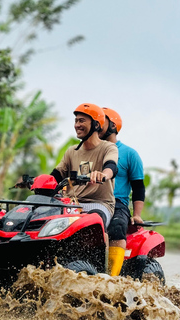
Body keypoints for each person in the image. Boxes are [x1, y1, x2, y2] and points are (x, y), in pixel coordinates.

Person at [50, 103, 119, 230]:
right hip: (70, 204)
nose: (77, 125)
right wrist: (40, 181)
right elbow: (57, 174)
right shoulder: (72, 151)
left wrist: (104, 174)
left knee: (93, 225)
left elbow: (111, 166)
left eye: (82, 121)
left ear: (96, 125)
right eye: (76, 121)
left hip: (98, 205)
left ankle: (102, 250)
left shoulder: (108, 147)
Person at [99, 107, 145, 276]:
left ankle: (112, 277)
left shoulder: (130, 154)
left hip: (117, 203)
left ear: (112, 125)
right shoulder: (88, 150)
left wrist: (137, 214)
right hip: (89, 200)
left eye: (101, 121)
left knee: (117, 226)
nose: (97, 125)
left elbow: (138, 186)